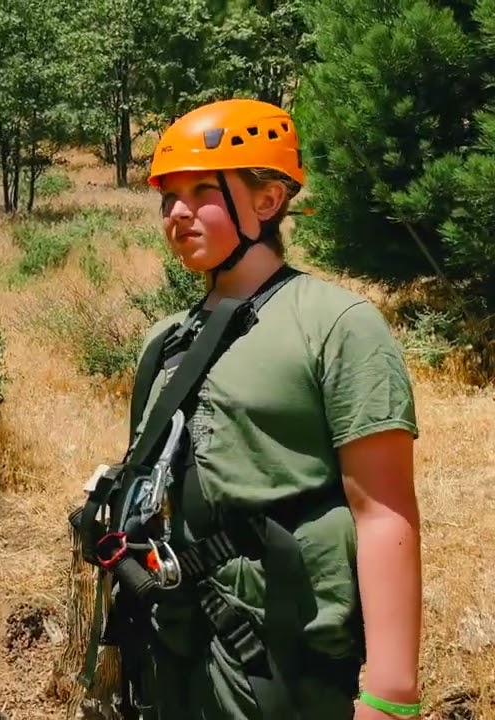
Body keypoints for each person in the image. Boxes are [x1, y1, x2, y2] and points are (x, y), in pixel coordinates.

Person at [68, 98, 423, 720]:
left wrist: (391, 693)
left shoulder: (336, 324)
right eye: (168, 197)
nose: (178, 212)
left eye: (203, 189)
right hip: (170, 635)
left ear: (268, 200)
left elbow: (385, 509)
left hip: (274, 648)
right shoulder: (167, 339)